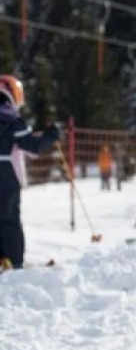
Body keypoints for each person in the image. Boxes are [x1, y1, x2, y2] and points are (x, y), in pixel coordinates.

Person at [0, 75, 61, 271]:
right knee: (9, 218)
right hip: (4, 171)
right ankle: (14, 261)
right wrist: (52, 135)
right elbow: (32, 146)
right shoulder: (10, 118)